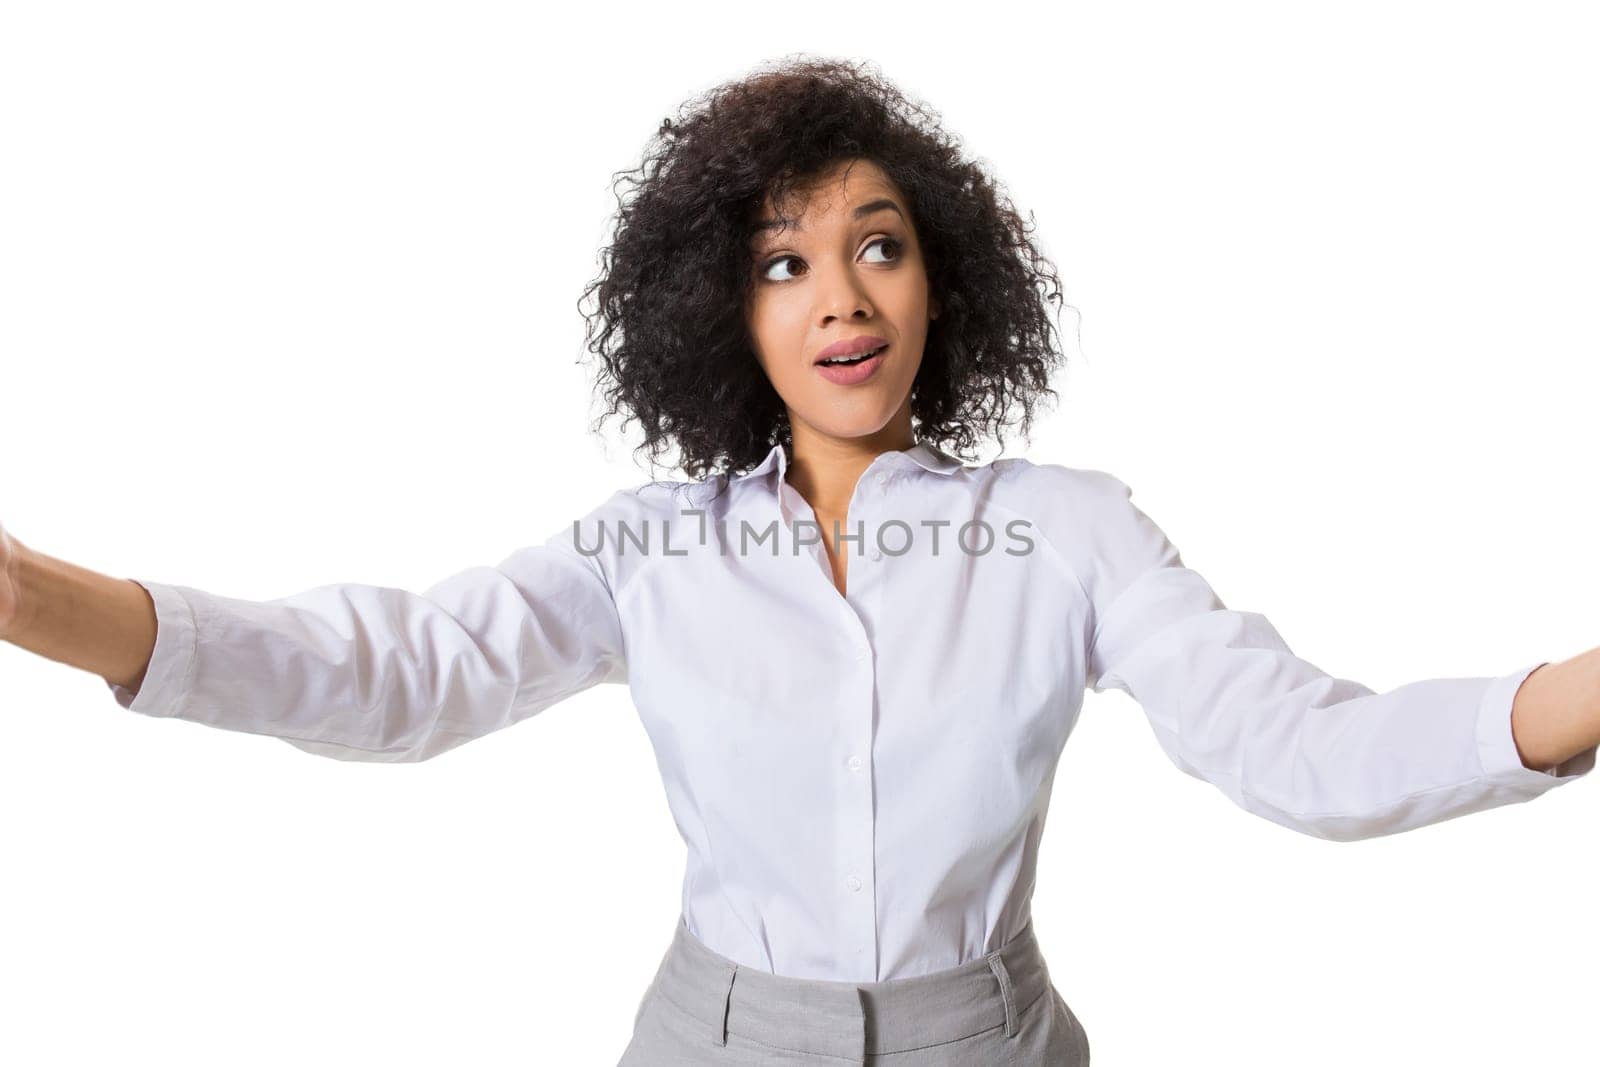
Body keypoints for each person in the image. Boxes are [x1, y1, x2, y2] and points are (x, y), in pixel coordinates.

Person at [3, 55, 1597, 1066]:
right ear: (728, 312)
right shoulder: (653, 551)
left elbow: (1298, 745)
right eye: (785, 263)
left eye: (877, 245)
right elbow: (395, 671)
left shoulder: (1067, 530)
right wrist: (35, 598)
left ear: (938, 278)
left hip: (994, 1042)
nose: (841, 296)